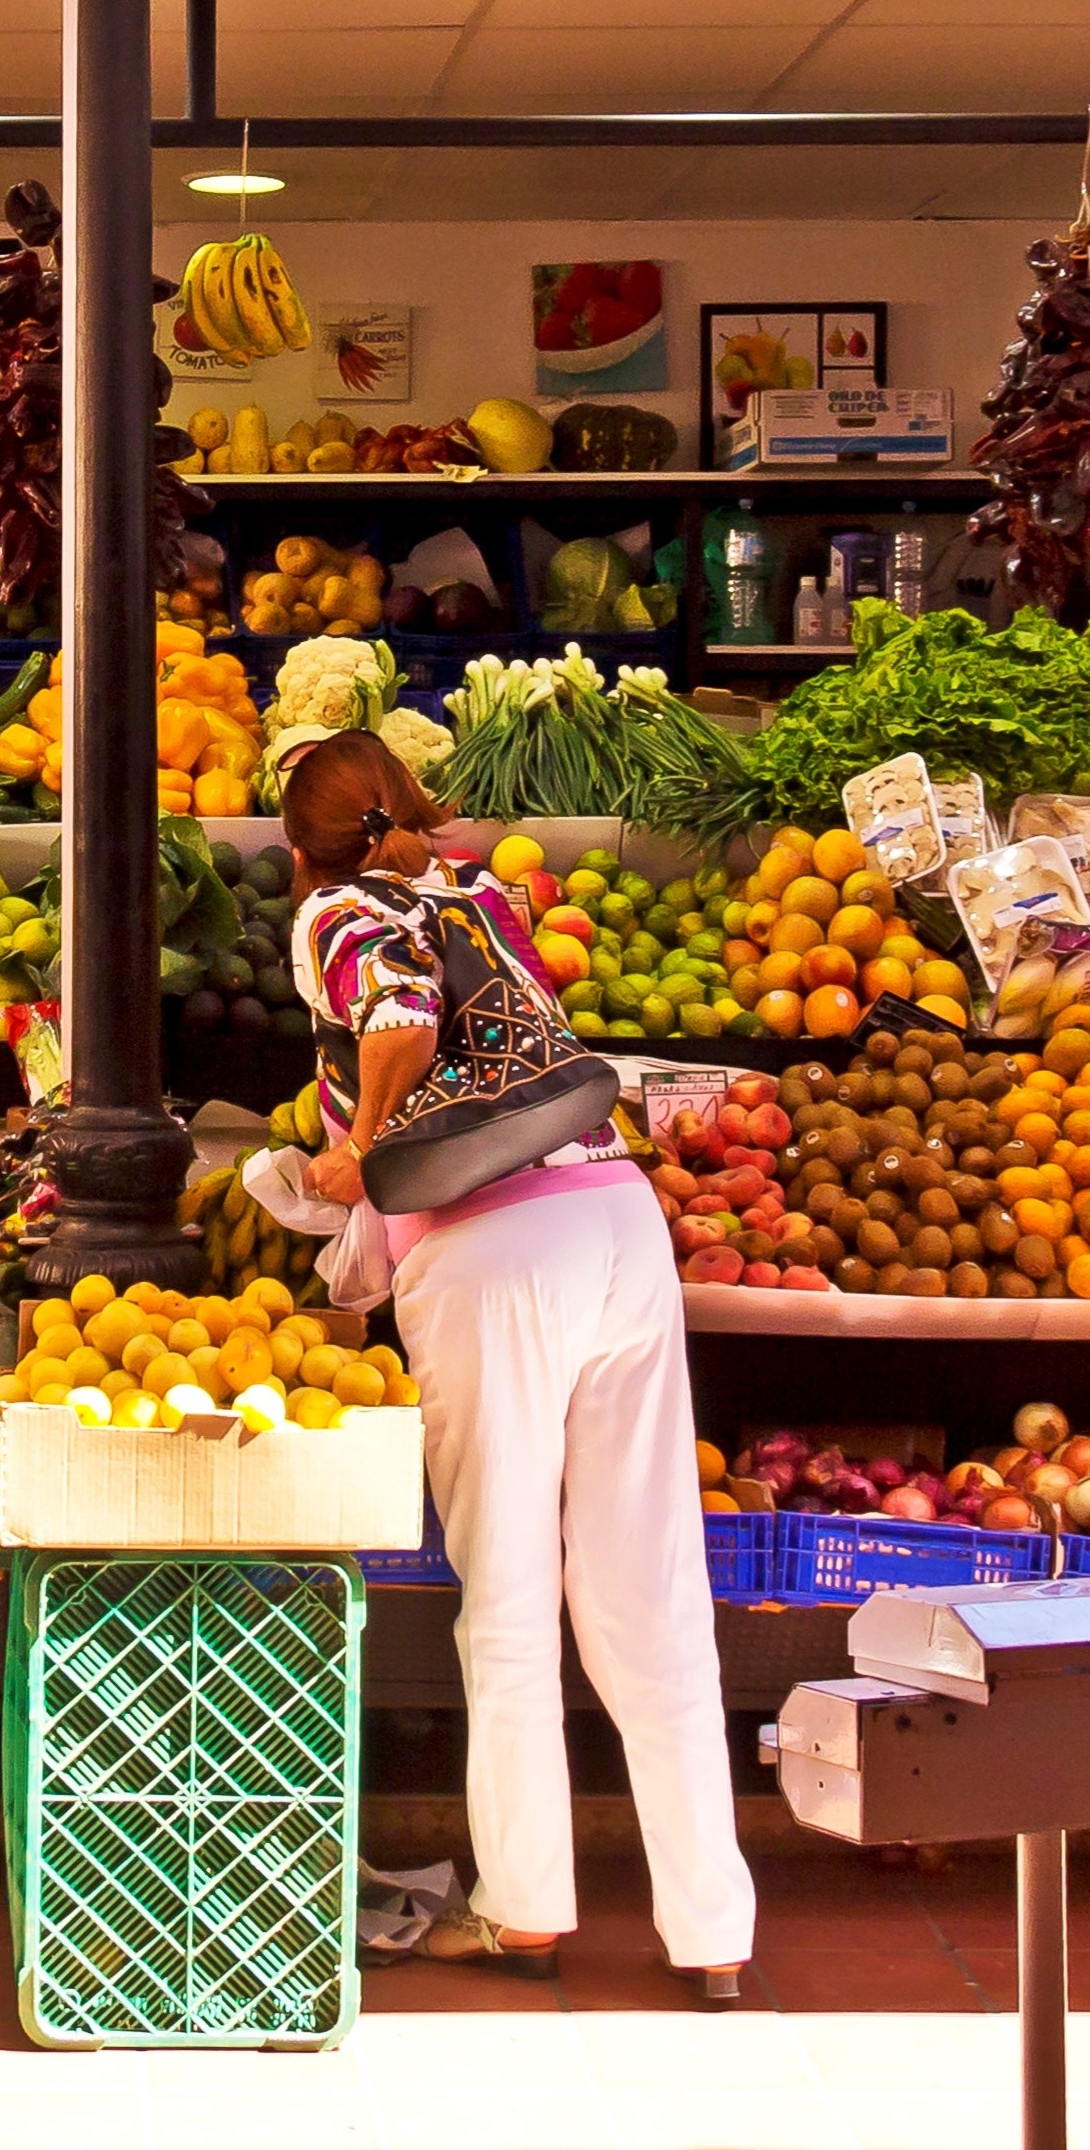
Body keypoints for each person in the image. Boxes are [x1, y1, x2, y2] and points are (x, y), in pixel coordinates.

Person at [281, 731, 756, 2002]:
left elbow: (398, 1014)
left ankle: (527, 1908)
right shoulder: (484, 889)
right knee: (650, 1583)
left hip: (492, 1246)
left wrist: (356, 1147)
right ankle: (713, 1928)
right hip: (615, 1214)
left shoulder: (336, 912)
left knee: (507, 1590)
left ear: (300, 849)